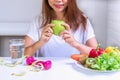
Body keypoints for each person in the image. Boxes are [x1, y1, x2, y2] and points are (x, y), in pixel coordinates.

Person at [24, 0, 98, 57]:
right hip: (45, 72)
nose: (58, 0)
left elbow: (96, 53)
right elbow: (24, 54)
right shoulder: (38, 21)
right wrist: (40, 42)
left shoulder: (82, 20)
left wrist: (75, 43)